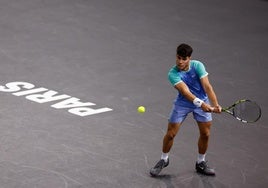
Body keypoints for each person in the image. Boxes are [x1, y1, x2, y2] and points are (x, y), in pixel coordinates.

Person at [150, 43, 222, 176]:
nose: (180, 61)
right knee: (170, 134)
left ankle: (201, 162)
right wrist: (201, 104)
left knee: (205, 134)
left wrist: (215, 104)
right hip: (183, 103)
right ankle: (164, 159)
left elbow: (207, 86)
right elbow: (185, 91)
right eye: (178, 58)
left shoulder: (198, 66)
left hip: (202, 101)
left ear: (190, 58)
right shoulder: (173, 73)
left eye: (184, 59)